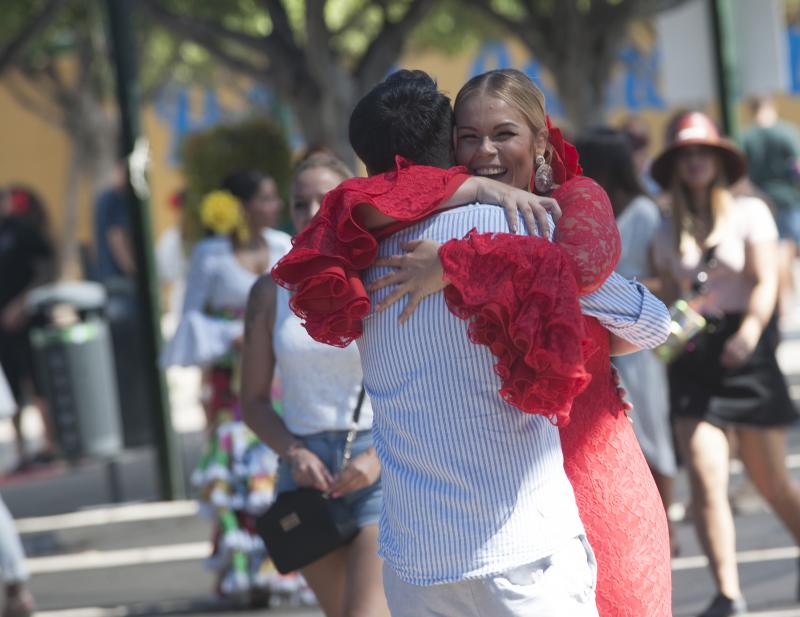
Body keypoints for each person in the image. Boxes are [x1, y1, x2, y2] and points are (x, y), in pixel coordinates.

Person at [274, 69, 671, 616]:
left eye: (501, 134)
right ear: (449, 146)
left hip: (417, 565)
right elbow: (653, 324)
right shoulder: (519, 224)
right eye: (469, 136)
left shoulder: (348, 260)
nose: (484, 151)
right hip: (523, 556)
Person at [651, 110, 800, 617]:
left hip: (747, 348)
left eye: (702, 152)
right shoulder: (663, 224)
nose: (694, 162)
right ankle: (727, 594)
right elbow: (669, 295)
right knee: (706, 477)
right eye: (684, 154)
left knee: (772, 482)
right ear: (674, 164)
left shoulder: (750, 211)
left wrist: (753, 333)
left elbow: (765, 282)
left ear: (718, 158)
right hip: (695, 356)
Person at [241, 152, 389, 617]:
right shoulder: (270, 292)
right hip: (304, 480)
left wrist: (379, 458)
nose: (310, 214)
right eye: (299, 203)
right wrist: (294, 453)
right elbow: (254, 401)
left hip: (377, 465)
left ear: (352, 202)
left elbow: (425, 387)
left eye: (325, 200)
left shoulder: (383, 276)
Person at [162, 170, 296, 606]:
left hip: (281, 376)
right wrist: (232, 335)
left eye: (276, 198)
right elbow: (189, 319)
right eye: (265, 198)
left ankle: (285, 567)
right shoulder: (210, 255)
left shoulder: (282, 245)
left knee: (277, 461)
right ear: (241, 207)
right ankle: (243, 574)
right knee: (237, 464)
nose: (274, 206)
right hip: (230, 381)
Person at [575, 128, 678, 553]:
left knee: (653, 434)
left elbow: (667, 281)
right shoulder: (580, 213)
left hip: (636, 339)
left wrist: (618, 290)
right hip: (600, 343)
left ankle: (665, 526)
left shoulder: (643, 211)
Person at [0, 187, 56, 473]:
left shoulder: (23, 230)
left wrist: (22, 305)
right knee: (10, 387)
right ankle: (21, 449)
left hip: (30, 318)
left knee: (38, 381)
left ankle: (49, 444)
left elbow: (47, 268)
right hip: (3, 328)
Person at [742, 96, 800, 319]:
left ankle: (781, 301)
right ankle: (785, 300)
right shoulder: (786, 132)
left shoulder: (747, 137)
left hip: (760, 201)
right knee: (784, 249)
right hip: (786, 200)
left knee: (774, 252)